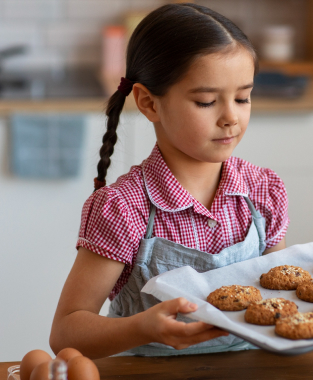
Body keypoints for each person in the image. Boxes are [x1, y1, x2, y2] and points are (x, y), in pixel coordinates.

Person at [50, 3, 289, 359]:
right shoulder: (123, 209)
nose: (231, 118)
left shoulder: (262, 191)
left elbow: (281, 291)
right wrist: (142, 327)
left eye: (242, 97)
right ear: (149, 103)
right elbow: (65, 332)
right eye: (207, 101)